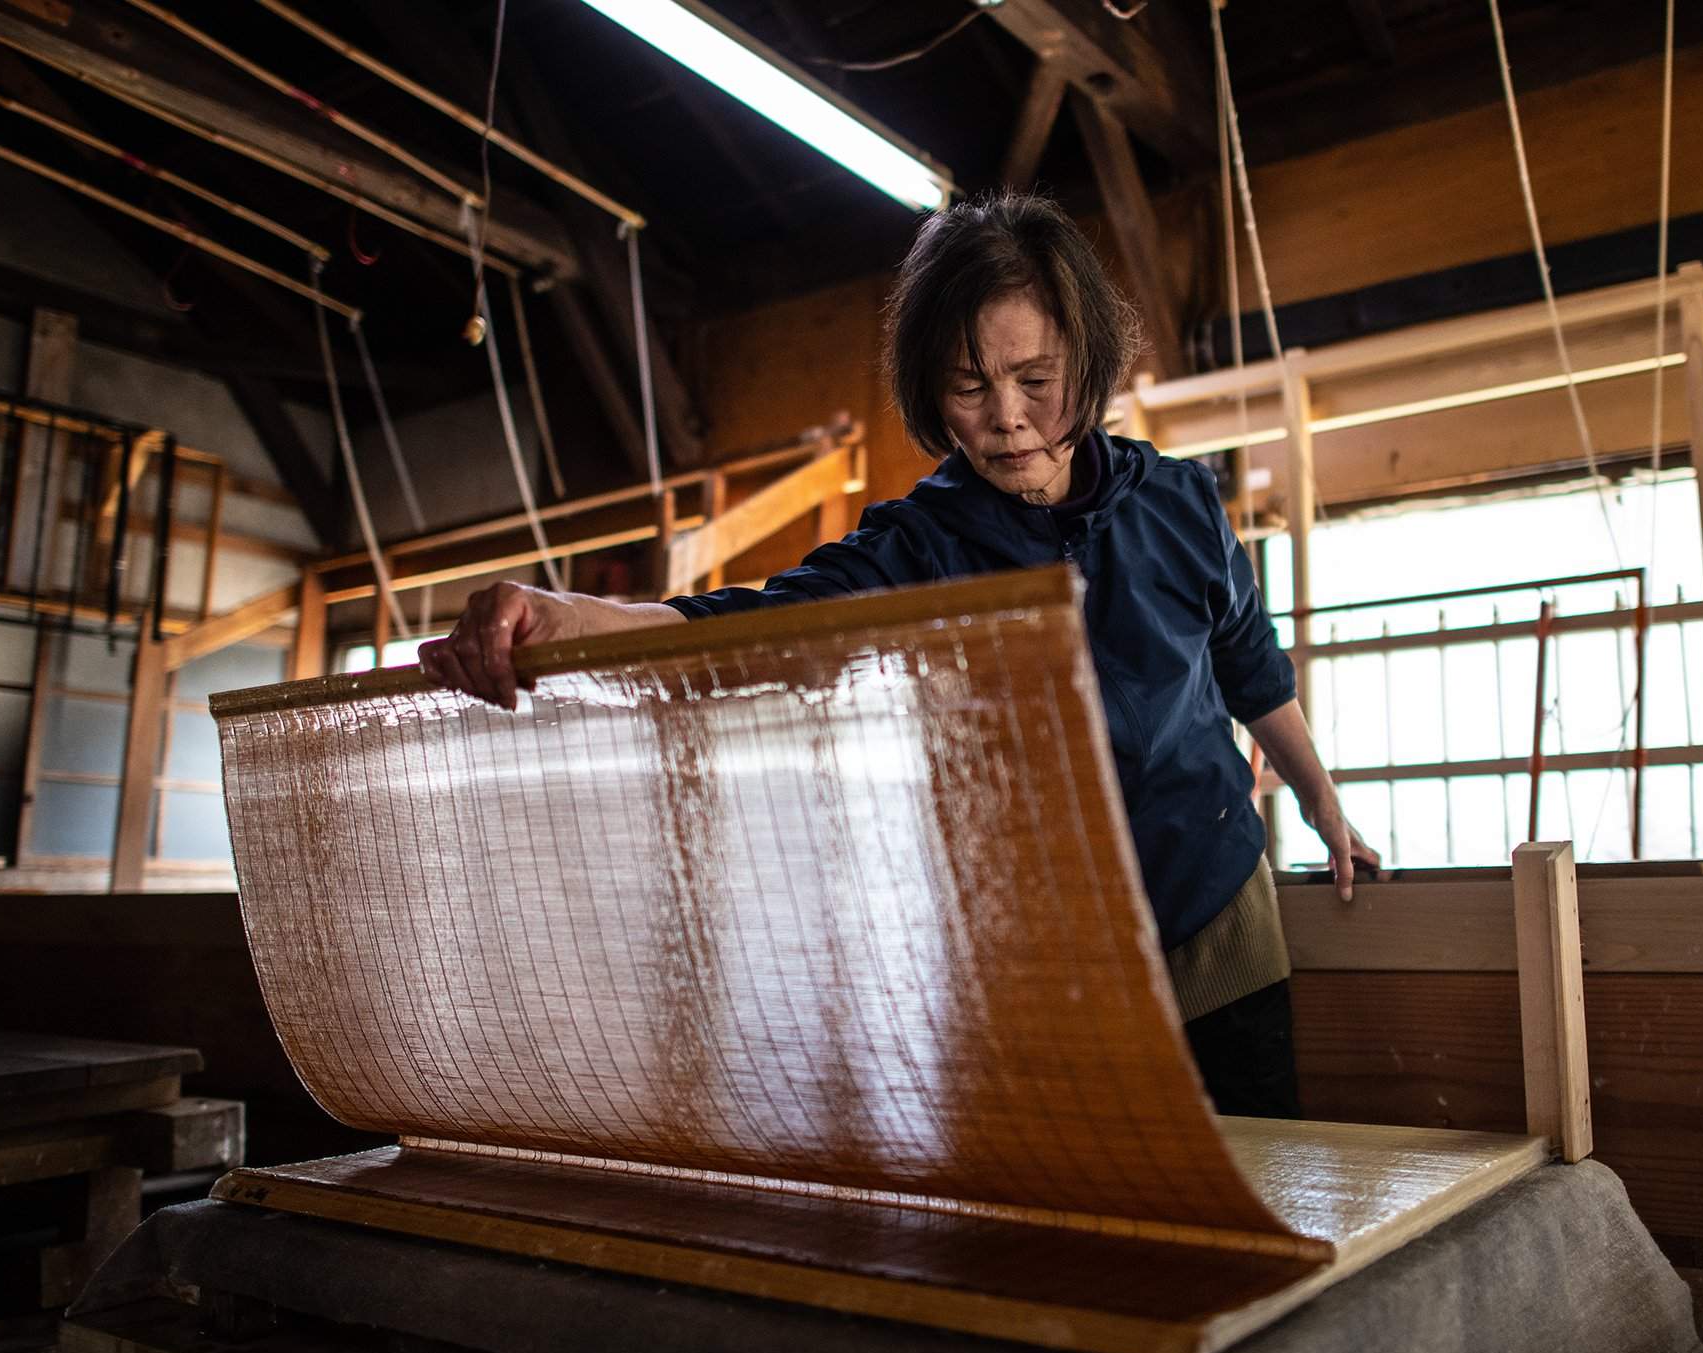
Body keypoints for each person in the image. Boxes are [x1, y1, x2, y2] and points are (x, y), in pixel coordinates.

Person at [420, 191, 1379, 1119]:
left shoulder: (1179, 505)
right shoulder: (919, 547)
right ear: (933, 392)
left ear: (1087, 362)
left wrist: (1322, 801)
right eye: (970, 388)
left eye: (1035, 380)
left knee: (1263, 1172)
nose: (1006, 416)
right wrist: (567, 619)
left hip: (1212, 906)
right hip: (1041, 952)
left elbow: (1251, 667)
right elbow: (745, 625)